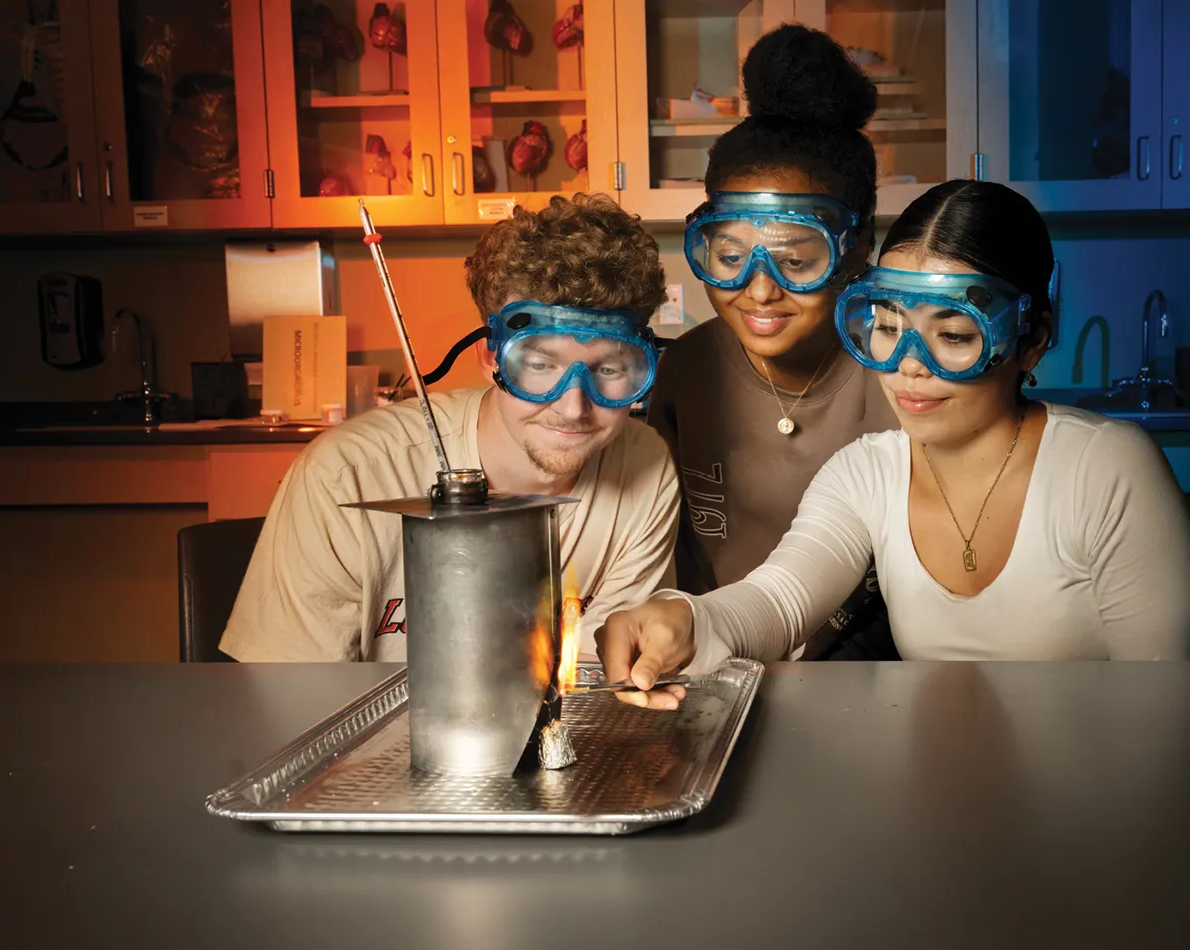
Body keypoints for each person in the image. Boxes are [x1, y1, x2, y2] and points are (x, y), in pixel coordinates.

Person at [599, 179, 1190, 708]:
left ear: (1030, 341)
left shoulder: (1104, 470)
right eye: (887, 327)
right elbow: (778, 602)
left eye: (954, 334)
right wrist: (687, 616)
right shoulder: (866, 473)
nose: (909, 365)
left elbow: (1164, 705)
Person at [220, 194, 681, 662]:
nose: (572, 406)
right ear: (490, 359)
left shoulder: (644, 467)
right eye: (540, 364)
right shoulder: (346, 475)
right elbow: (292, 702)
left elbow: (602, 688)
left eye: (609, 370)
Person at [644, 23, 901, 662]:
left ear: (859, 245)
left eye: (797, 258)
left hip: (862, 677)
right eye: (729, 255)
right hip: (700, 660)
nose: (759, 291)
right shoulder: (683, 371)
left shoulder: (903, 377)